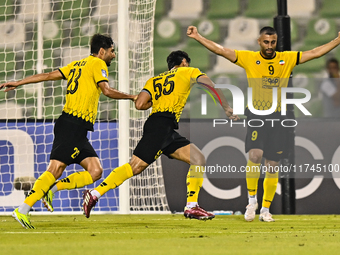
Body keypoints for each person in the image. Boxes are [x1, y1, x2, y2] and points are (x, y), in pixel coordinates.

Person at [187, 25, 340, 222]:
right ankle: (252, 202)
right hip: (258, 115)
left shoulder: (287, 58)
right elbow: (221, 50)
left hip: (279, 117)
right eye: (266, 42)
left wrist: (337, 41)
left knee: (273, 164)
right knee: (255, 154)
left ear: (276, 42)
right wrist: (198, 37)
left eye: (273, 42)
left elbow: (314, 53)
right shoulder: (250, 58)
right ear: (259, 42)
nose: (269, 46)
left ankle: (265, 210)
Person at [0, 34, 136, 229]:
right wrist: (132, 96)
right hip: (72, 124)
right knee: (55, 169)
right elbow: (106, 90)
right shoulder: (98, 64)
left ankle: (51, 190)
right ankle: (22, 209)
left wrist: (19, 83)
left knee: (95, 171)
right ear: (102, 51)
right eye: (112, 51)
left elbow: (47, 76)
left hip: (76, 128)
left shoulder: (76, 65)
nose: (113, 55)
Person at [82, 50, 239, 220]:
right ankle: (95, 193)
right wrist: (226, 107)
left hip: (162, 126)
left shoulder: (154, 80)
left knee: (198, 159)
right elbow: (210, 85)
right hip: (162, 126)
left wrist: (159, 99)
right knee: (135, 166)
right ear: (184, 62)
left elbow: (140, 104)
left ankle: (192, 206)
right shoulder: (188, 71)